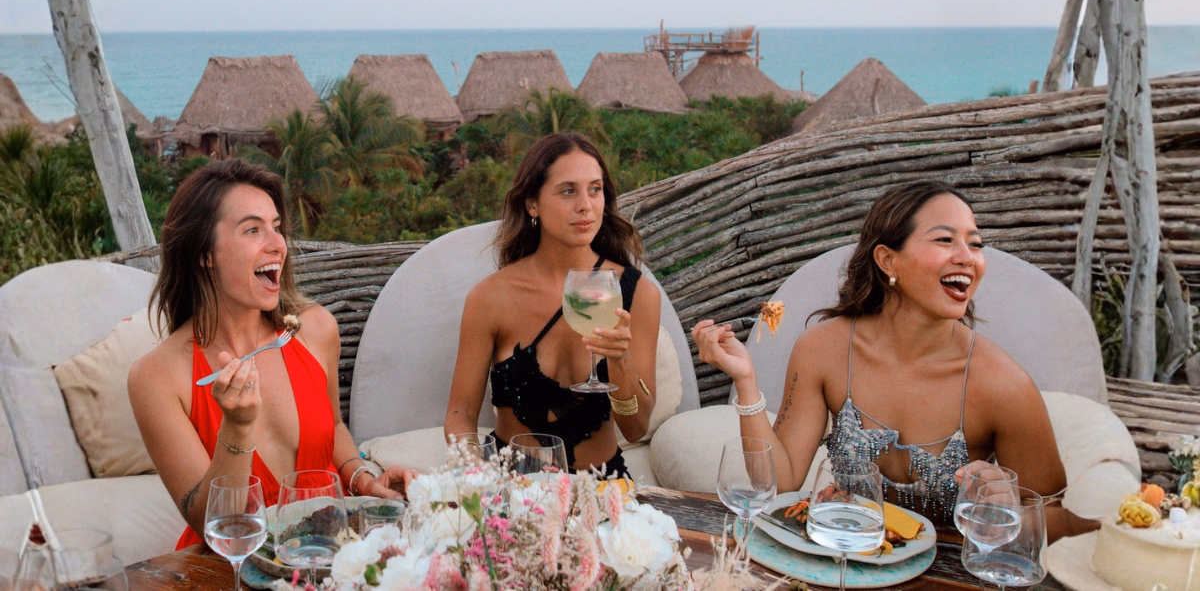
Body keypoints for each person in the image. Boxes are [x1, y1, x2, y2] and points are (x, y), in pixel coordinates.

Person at [692, 181, 1096, 541]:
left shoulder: (1002, 385)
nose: (968, 258)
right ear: (888, 260)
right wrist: (746, 381)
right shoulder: (824, 349)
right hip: (848, 556)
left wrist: (1007, 512)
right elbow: (782, 481)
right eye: (945, 240)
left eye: (975, 243)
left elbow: (1064, 520)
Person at [129, 159, 416, 548]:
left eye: (276, 228)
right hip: (237, 566)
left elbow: (332, 428)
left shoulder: (315, 330)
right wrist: (237, 427)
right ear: (204, 253)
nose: (277, 244)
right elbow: (210, 523)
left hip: (330, 550)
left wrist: (363, 479)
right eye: (252, 229)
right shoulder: (157, 377)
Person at [444, 132, 661, 476]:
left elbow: (636, 429)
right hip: (513, 489)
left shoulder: (636, 294)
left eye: (595, 189)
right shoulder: (490, 298)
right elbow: (460, 414)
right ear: (532, 204)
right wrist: (475, 474)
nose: (585, 206)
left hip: (601, 490)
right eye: (568, 191)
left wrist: (620, 359)